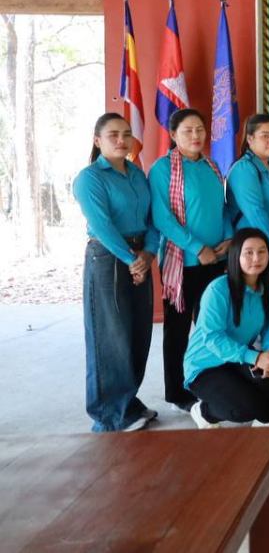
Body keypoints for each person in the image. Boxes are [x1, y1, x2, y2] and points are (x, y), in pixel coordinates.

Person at [74, 113, 160, 432]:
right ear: (98, 141)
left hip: (140, 255)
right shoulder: (89, 178)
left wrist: (147, 254)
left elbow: (152, 220)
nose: (122, 140)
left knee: (138, 332)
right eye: (113, 135)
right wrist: (130, 259)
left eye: (126, 134)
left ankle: (128, 402)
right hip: (108, 257)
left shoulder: (136, 173)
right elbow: (101, 225)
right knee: (110, 336)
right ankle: (109, 415)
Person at [149, 108, 233, 413]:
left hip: (216, 259)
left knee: (213, 325)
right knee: (178, 330)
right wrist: (198, 248)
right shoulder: (163, 169)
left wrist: (228, 237)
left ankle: (210, 384)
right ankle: (177, 393)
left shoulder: (211, 165)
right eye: (188, 131)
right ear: (173, 135)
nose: (196, 135)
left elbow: (222, 208)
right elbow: (162, 218)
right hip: (183, 263)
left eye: (200, 129)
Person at [184, 228, 269, 428]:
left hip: (237, 358)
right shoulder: (218, 289)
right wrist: (255, 357)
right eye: (249, 252)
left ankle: (260, 414)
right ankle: (204, 412)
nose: (256, 258)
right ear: (235, 255)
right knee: (243, 410)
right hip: (206, 365)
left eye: (262, 251)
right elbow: (212, 337)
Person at [226, 113, 269, 281]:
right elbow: (255, 210)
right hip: (254, 249)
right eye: (265, 136)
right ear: (250, 139)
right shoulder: (244, 168)